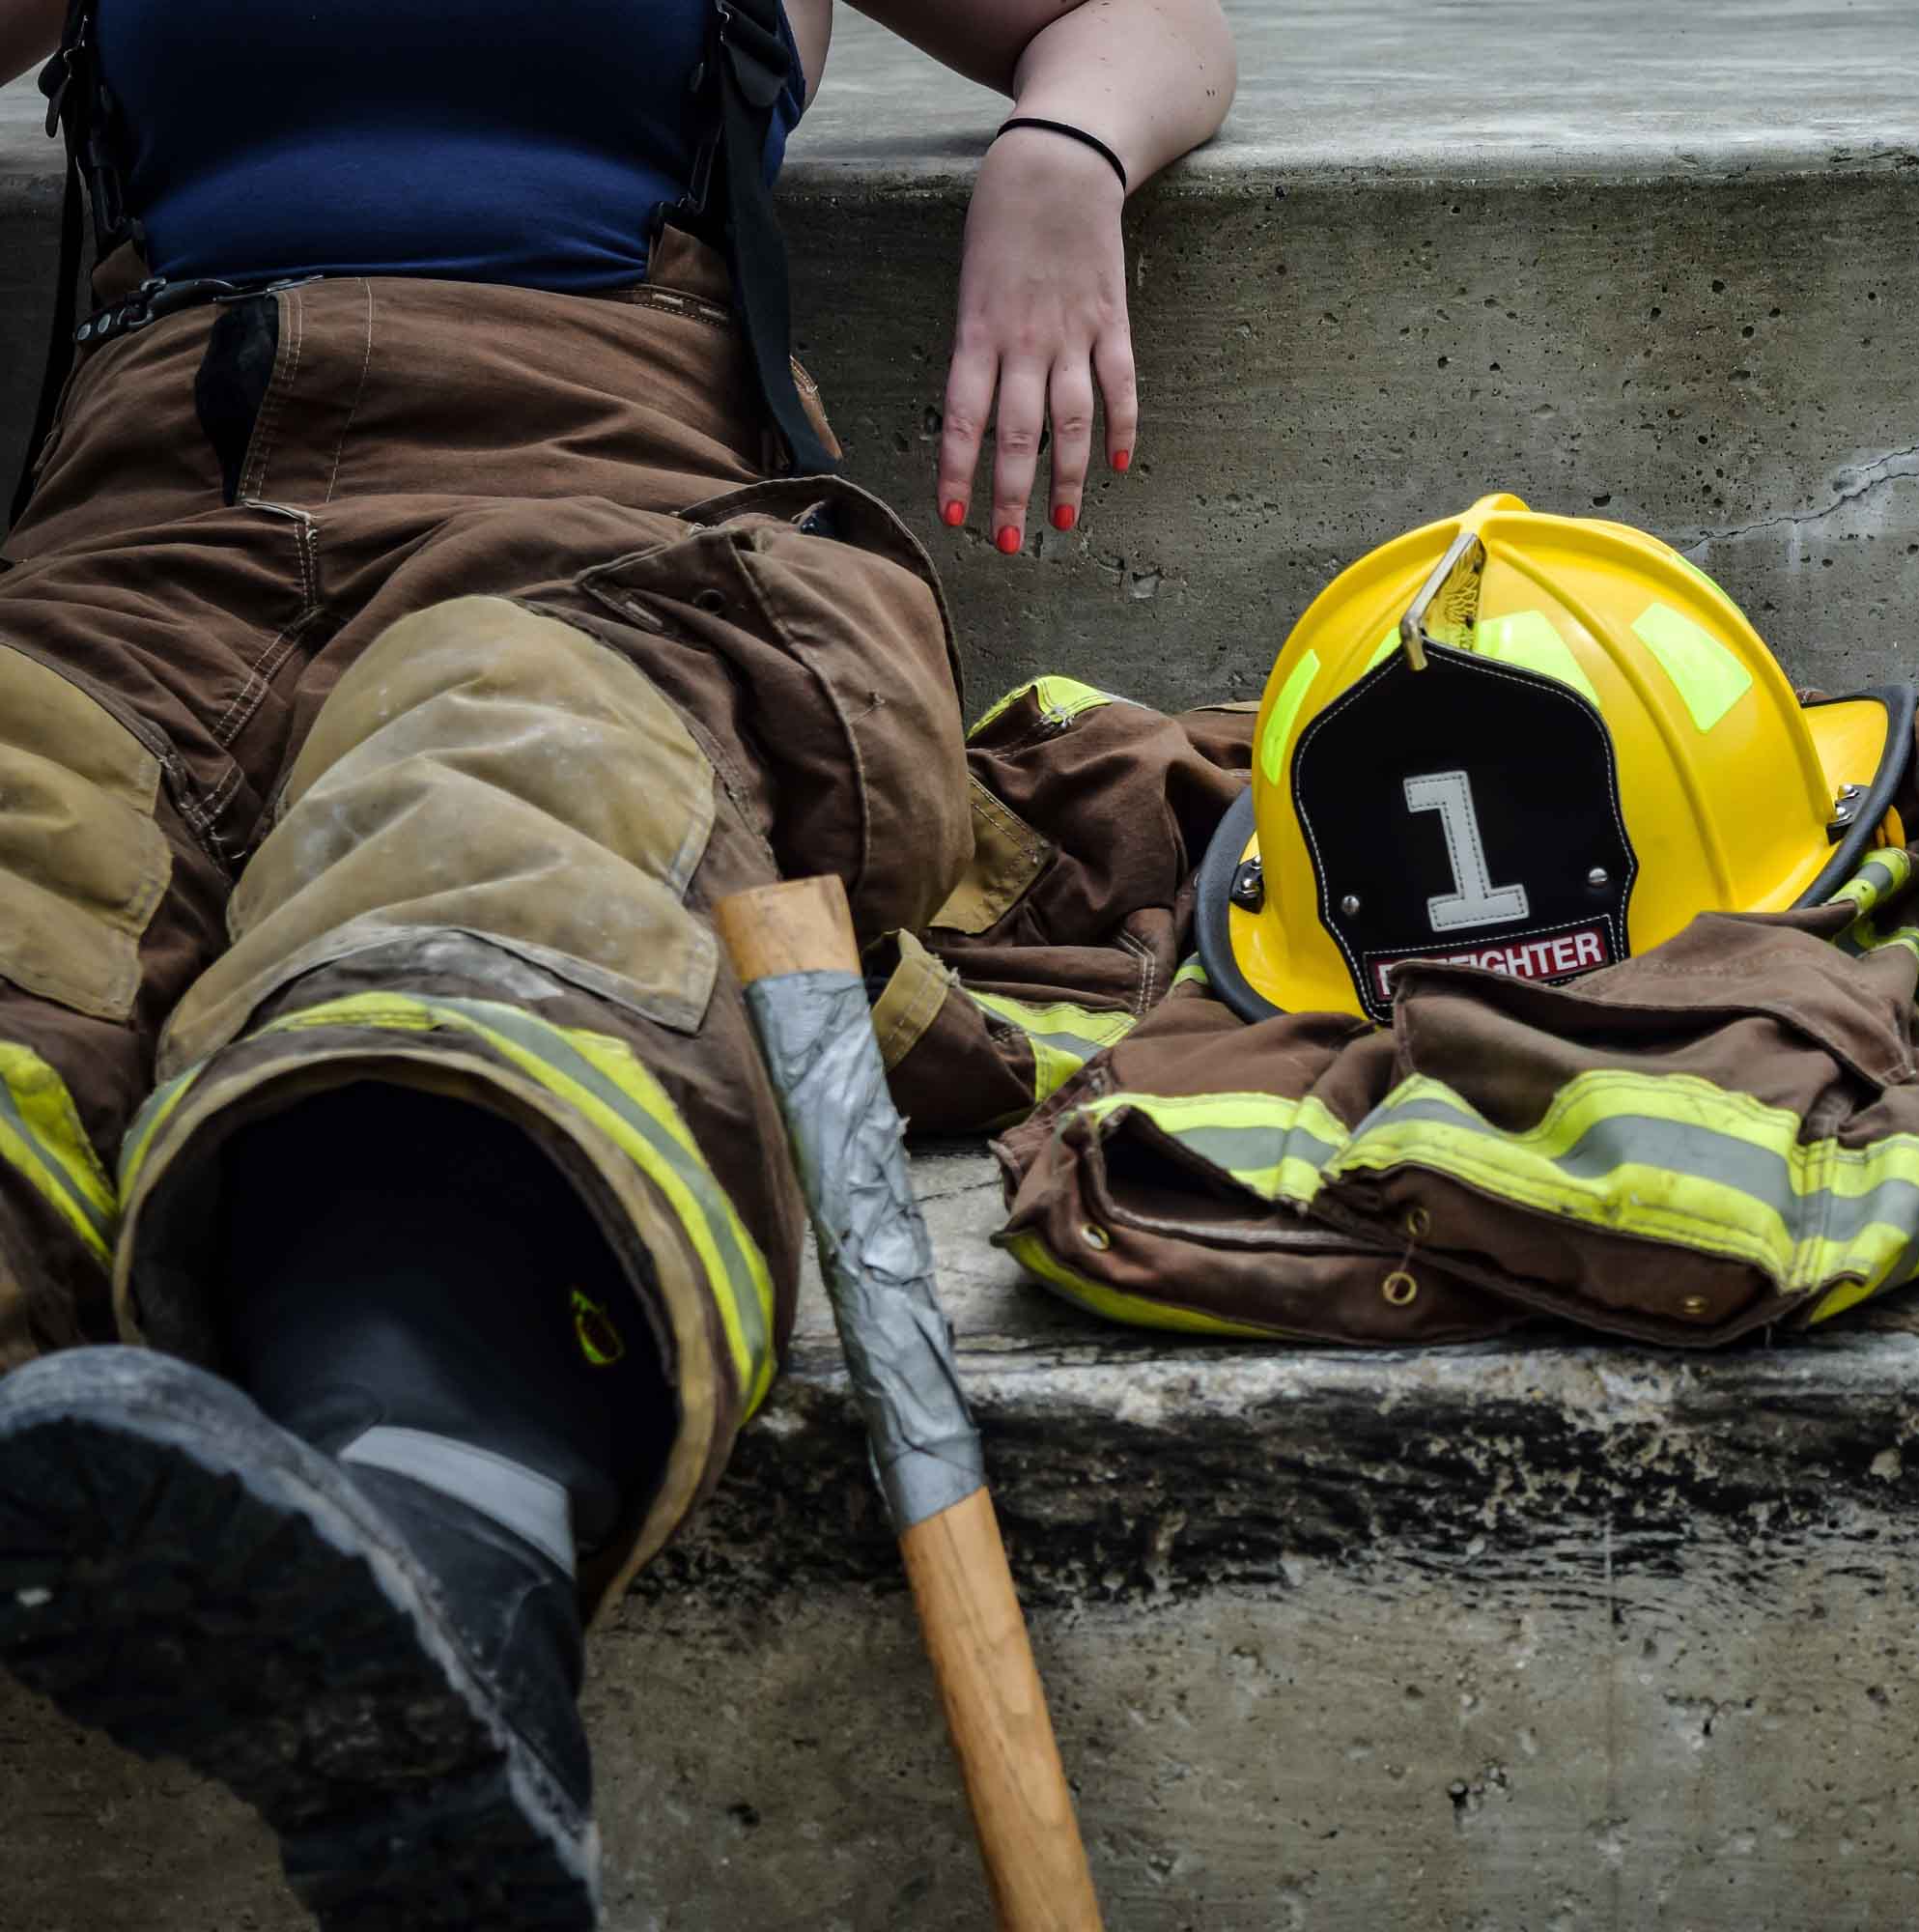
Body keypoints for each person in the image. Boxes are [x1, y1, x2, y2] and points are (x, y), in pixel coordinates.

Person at [0, 3, 1231, 1925]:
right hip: (142, 534)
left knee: (507, 833)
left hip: (597, 512)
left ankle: (437, 1559)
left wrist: (1061, 156)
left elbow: (1138, 18)